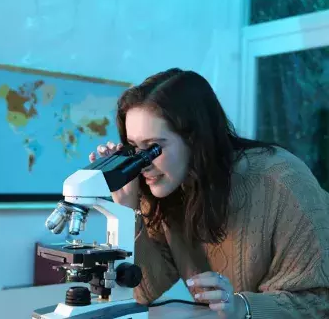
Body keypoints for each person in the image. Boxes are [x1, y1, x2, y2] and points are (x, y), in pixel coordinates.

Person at [89, 68, 329, 318]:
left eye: (153, 148)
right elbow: (142, 292)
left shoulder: (282, 180)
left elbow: (319, 301)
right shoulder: (165, 187)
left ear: (195, 139)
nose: (144, 162)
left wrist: (243, 308)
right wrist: (128, 207)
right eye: (135, 148)